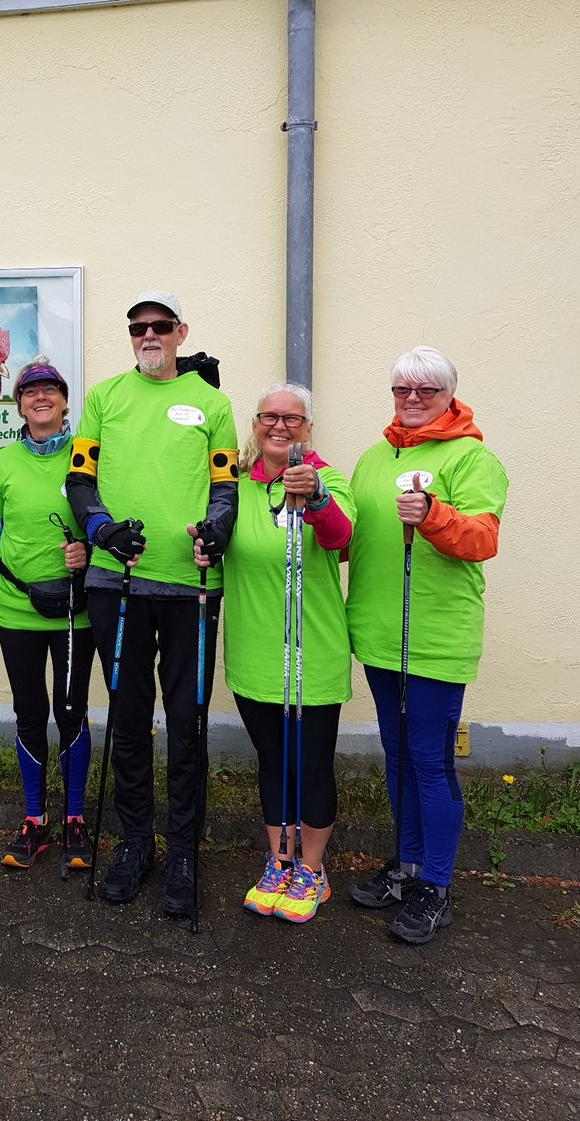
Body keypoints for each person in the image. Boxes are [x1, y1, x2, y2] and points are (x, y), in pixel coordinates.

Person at [66, 291, 238, 920]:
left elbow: (226, 486)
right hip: (119, 584)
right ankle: (136, 844)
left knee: (187, 723)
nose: (147, 335)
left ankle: (185, 850)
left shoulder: (212, 402)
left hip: (190, 588)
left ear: (180, 332)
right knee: (130, 720)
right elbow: (79, 480)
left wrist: (217, 530)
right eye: (137, 327)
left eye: (159, 327)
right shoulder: (104, 397)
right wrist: (102, 529)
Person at [346, 346, 508, 944]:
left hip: (436, 639)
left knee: (430, 762)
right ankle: (407, 864)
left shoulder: (472, 458)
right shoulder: (371, 458)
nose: (412, 399)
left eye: (426, 390)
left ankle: (436, 884)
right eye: (401, 390)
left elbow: (481, 538)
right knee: (396, 755)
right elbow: (351, 538)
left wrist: (435, 514)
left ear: (449, 395)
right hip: (380, 636)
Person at [0, 357, 96, 869]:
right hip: (15, 607)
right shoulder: (1, 464)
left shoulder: (87, 459)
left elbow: (104, 523)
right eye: (30, 391)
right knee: (29, 710)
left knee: (71, 709)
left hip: (74, 612)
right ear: (18, 404)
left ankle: (76, 819)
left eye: (51, 390)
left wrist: (89, 553)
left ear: (63, 401)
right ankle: (35, 821)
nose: (41, 398)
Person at [223, 384, 355, 923]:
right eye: (268, 417)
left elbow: (342, 537)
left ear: (308, 428)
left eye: (292, 419)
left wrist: (316, 495)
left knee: (311, 765)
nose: (279, 427)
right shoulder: (234, 484)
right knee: (273, 761)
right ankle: (279, 860)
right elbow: (217, 535)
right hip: (254, 653)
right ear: (255, 424)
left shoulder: (330, 479)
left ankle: (313, 869)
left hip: (312, 654)